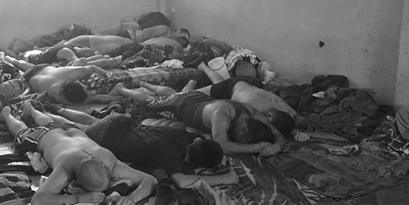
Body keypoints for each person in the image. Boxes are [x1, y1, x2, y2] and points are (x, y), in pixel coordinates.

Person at [0, 102, 157, 205]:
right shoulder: (64, 169)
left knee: (50, 124)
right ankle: (8, 115)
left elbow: (150, 180)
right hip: (45, 136)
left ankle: (31, 109)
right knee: (22, 132)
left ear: (103, 165)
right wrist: (79, 199)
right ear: (75, 180)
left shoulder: (108, 160)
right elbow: (38, 201)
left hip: (65, 131)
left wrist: (132, 198)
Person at [43, 107, 235, 188]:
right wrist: (225, 178)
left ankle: (58, 109)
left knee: (92, 121)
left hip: (119, 122)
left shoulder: (182, 135)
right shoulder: (172, 159)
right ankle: (43, 114)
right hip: (107, 137)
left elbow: (199, 138)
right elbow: (182, 181)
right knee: (75, 128)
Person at [111, 83, 281, 156]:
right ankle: (122, 90)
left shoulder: (252, 113)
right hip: (182, 107)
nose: (237, 138)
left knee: (173, 94)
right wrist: (257, 147)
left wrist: (277, 146)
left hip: (197, 98)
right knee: (151, 101)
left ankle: (148, 85)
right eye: (241, 137)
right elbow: (223, 146)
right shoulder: (222, 115)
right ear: (244, 129)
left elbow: (277, 133)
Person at [197, 63, 310, 142]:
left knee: (217, 84)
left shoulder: (286, 110)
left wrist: (300, 133)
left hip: (253, 85)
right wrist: (294, 133)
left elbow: (302, 122)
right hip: (233, 86)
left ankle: (206, 68)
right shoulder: (254, 110)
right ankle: (203, 67)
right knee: (194, 93)